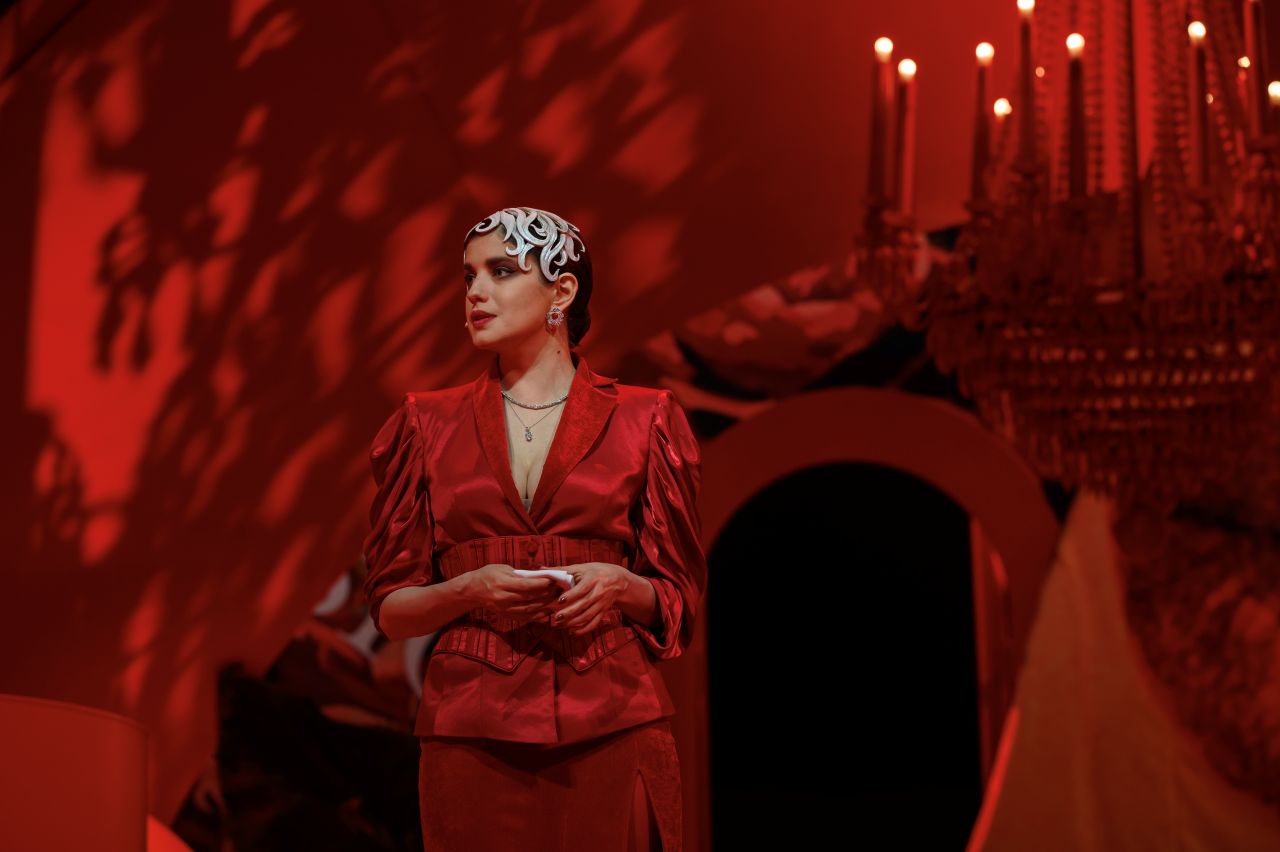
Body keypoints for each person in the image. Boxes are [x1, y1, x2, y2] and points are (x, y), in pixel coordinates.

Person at [360, 206, 707, 852]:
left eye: (501, 271)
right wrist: (469, 590)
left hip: (612, 721)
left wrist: (618, 585)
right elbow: (391, 608)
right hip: (471, 734)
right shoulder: (424, 424)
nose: (475, 293)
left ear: (562, 290)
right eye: (468, 276)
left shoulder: (647, 419)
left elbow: (677, 600)